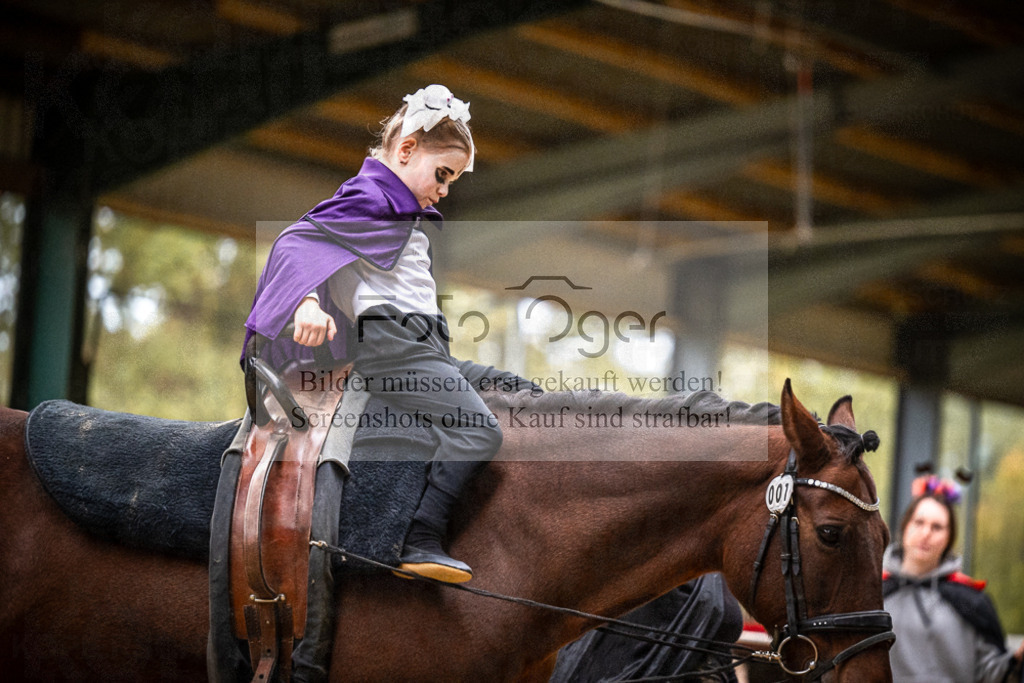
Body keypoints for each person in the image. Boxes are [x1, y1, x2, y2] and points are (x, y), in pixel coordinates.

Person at [243, 84, 534, 584]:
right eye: (443, 175)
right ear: (405, 150)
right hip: (393, 349)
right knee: (479, 430)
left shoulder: (399, 210)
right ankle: (419, 539)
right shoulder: (368, 196)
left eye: (452, 180)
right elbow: (296, 241)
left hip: (427, 349)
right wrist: (307, 304)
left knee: (518, 390)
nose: (444, 191)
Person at [883, 474, 1024, 683]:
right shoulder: (872, 594)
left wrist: (1017, 660)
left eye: (937, 527)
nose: (926, 533)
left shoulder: (970, 601)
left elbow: (991, 676)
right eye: (919, 522)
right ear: (905, 527)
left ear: (949, 537)